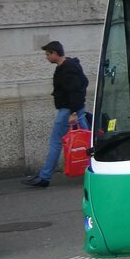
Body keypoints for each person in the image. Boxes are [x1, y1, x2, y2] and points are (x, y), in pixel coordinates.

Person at [23, 40, 90, 189]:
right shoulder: (69, 65)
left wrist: (72, 112)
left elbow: (74, 89)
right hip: (74, 109)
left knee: (56, 142)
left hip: (68, 111)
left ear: (55, 53)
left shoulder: (67, 68)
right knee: (87, 142)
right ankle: (94, 170)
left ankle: (44, 177)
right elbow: (84, 82)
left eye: (48, 54)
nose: (46, 57)